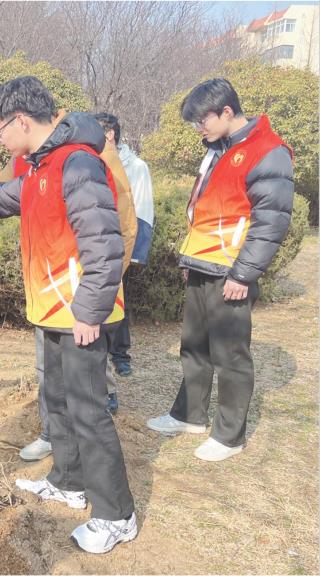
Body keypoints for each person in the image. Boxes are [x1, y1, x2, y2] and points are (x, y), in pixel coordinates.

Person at [0, 76, 136, 554]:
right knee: (58, 400)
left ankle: (117, 515)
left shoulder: (77, 163)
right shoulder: (41, 168)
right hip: (52, 311)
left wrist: (89, 312)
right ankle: (69, 481)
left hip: (80, 314)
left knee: (89, 411)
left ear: (20, 120)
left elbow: (104, 244)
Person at [147, 78, 293, 461]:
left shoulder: (268, 152)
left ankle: (229, 436)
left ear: (227, 111)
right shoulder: (218, 149)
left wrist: (243, 274)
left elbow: (271, 222)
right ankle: (189, 415)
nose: (199, 128)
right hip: (203, 263)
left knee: (230, 354)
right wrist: (190, 258)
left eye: (203, 120)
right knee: (194, 345)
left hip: (231, 270)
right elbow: (206, 207)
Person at [94, 113, 154, 382]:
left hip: (122, 243)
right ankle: (101, 354)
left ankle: (120, 355)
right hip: (99, 243)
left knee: (117, 300)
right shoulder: (91, 159)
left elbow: (143, 208)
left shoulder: (136, 166)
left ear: (110, 135)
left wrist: (137, 249)